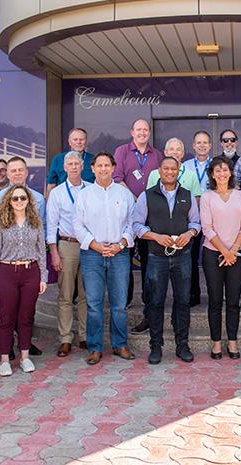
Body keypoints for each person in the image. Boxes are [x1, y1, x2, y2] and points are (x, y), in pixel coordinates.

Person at [131, 156, 201, 364]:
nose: (170, 172)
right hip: (156, 257)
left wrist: (189, 234)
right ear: (159, 171)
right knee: (155, 301)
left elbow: (196, 223)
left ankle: (182, 344)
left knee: (183, 301)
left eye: (173, 169)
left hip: (182, 256)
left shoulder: (187, 195)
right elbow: (136, 225)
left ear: (178, 171)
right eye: (166, 168)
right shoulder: (146, 196)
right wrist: (155, 236)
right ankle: (156, 345)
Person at [75, 151, 136, 365]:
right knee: (93, 303)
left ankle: (120, 344)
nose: (103, 169)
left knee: (119, 303)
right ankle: (94, 347)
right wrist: (95, 245)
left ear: (113, 168)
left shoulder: (124, 194)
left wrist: (120, 244)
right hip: (92, 254)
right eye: (99, 165)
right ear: (92, 169)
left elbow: (132, 223)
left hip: (119, 254)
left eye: (106, 165)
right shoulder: (84, 195)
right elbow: (77, 225)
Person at [0, 185, 47, 376]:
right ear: (9, 202)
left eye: (22, 198)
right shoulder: (0, 224)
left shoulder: (35, 223)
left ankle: (25, 357)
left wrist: (43, 277)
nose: (19, 201)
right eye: (15, 199)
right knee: (6, 318)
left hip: (31, 272)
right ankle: (4, 359)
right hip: (6, 272)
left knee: (26, 317)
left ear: (28, 200)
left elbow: (41, 252)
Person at [199, 156, 241, 359]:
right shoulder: (207, 197)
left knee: (233, 300)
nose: (221, 174)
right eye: (217, 170)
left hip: (237, 254)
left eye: (225, 170)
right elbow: (207, 228)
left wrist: (233, 250)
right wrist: (224, 251)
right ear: (212, 174)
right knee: (215, 300)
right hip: (213, 254)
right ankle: (216, 343)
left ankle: (233, 341)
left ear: (230, 172)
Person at [112, 118, 164, 318]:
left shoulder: (157, 154)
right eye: (138, 129)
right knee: (125, 257)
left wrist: (146, 202)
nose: (142, 133)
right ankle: (125, 299)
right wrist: (136, 199)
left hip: (150, 216)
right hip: (126, 213)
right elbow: (117, 178)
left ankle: (148, 300)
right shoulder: (122, 151)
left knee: (148, 260)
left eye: (145, 130)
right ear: (132, 132)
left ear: (149, 133)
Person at [46, 151, 88, 357]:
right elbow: (51, 225)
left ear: (82, 167)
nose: (73, 167)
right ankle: (65, 338)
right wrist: (53, 252)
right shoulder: (57, 193)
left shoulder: (91, 189)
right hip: (67, 246)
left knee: (86, 294)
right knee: (65, 295)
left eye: (76, 163)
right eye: (70, 164)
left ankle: (84, 335)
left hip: (89, 246)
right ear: (64, 168)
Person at [183, 131, 211, 309]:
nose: (202, 145)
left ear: (210, 146)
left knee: (212, 256)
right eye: (198, 142)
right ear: (193, 145)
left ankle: (216, 293)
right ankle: (193, 293)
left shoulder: (216, 165)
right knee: (191, 258)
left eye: (205, 143)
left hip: (212, 216)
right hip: (190, 217)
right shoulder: (185, 166)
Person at [46, 127, 95, 195]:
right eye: (75, 139)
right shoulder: (58, 159)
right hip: (63, 200)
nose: (78, 142)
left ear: (86, 141)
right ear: (69, 142)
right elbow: (51, 185)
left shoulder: (94, 160)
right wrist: (49, 204)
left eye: (81, 139)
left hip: (89, 199)